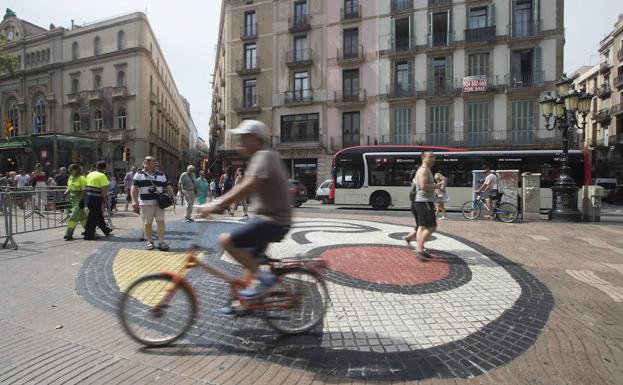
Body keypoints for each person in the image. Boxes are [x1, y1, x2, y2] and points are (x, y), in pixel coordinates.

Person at [199, 120, 291, 312]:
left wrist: (218, 203)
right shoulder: (262, 157)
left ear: (256, 139)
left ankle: (266, 280)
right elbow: (245, 187)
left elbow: (247, 186)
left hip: (272, 222)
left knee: (227, 241)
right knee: (250, 261)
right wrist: (223, 203)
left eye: (244, 137)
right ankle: (245, 304)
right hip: (269, 219)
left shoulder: (263, 157)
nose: (240, 141)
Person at [131, 156, 174, 251]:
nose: (146, 162)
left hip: (159, 203)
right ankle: (150, 242)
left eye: (150, 160)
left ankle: (161, 242)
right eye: (146, 160)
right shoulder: (138, 174)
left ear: (154, 163)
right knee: (147, 223)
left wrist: (172, 196)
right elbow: (134, 189)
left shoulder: (161, 174)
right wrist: (134, 201)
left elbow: (167, 187)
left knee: (161, 222)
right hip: (145, 203)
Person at [412, 151, 441, 261]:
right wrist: (436, 186)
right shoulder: (423, 170)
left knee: (422, 226)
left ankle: (420, 249)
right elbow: (424, 186)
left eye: (434, 157)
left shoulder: (426, 170)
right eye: (430, 157)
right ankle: (419, 250)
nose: (433, 159)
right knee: (432, 226)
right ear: (423, 158)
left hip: (422, 201)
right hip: (424, 201)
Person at [84, 161, 112, 240]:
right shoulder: (102, 176)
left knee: (98, 215)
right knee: (92, 217)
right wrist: (105, 199)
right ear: (105, 168)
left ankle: (106, 230)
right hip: (96, 198)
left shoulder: (89, 174)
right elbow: (103, 190)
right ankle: (88, 235)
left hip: (89, 197)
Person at [63, 164, 87, 241]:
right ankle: (89, 230)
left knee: (73, 217)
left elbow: (84, 190)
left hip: (79, 199)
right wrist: (65, 193)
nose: (70, 172)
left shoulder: (82, 178)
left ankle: (68, 234)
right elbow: (69, 187)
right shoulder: (70, 177)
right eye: (69, 170)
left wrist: (82, 200)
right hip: (72, 199)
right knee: (82, 217)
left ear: (76, 170)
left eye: (71, 170)